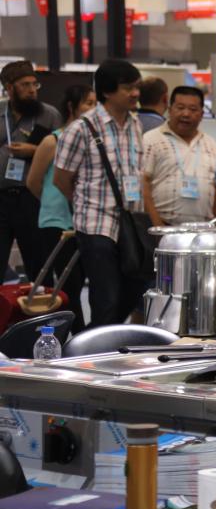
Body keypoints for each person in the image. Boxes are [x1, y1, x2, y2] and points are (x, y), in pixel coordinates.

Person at [53, 60, 146, 328]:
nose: (135, 93)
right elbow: (61, 179)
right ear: (107, 91)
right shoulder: (81, 128)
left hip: (130, 223)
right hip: (95, 223)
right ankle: (97, 349)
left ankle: (96, 338)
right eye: (128, 88)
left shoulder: (135, 124)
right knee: (106, 298)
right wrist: (85, 204)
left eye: (137, 87)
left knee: (134, 290)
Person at [27, 85, 95, 332]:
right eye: (88, 103)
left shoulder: (94, 141)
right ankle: (77, 335)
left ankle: (84, 333)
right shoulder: (51, 141)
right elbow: (33, 182)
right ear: (72, 106)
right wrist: (52, 201)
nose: (93, 109)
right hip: (56, 221)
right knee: (69, 286)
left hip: (86, 221)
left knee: (87, 283)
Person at [0, 60, 62, 281]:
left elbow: (63, 153)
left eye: (34, 84)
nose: (32, 90)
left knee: (39, 265)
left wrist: (35, 151)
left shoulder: (49, 115)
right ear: (9, 88)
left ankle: (41, 302)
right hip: (1, 197)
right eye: (25, 85)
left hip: (33, 198)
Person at [142, 86, 216, 227]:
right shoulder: (151, 139)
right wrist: (158, 227)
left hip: (204, 230)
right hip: (163, 226)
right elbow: (143, 184)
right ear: (169, 110)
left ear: (202, 114)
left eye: (193, 109)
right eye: (180, 108)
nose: (186, 114)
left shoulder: (211, 144)